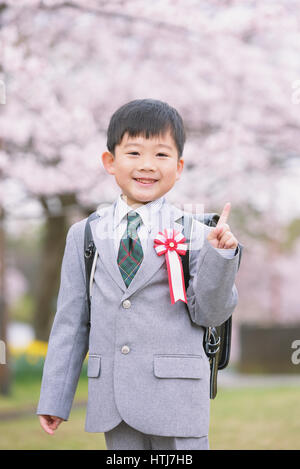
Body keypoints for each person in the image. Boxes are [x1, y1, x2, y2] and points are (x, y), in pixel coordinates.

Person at [37, 98, 241, 450]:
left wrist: (220, 257)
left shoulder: (195, 232)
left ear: (178, 167)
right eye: (134, 153)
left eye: (161, 155)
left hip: (178, 399)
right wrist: (55, 397)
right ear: (109, 162)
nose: (147, 165)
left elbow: (209, 313)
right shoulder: (84, 234)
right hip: (113, 401)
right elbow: (71, 321)